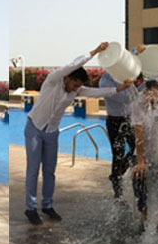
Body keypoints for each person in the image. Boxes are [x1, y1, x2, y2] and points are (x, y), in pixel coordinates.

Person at [24, 42, 133, 225]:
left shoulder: (77, 90)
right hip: (34, 128)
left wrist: (119, 89)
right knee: (33, 170)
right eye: (75, 83)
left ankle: (48, 205)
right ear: (67, 78)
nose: (76, 88)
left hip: (51, 132)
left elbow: (96, 92)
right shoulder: (53, 80)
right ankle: (30, 208)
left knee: (50, 171)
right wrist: (95, 51)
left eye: (79, 85)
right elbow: (72, 65)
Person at [99, 44, 146, 200]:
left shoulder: (123, 71)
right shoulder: (105, 82)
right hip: (115, 121)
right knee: (117, 154)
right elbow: (125, 99)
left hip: (129, 119)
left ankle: (119, 173)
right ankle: (117, 188)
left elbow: (128, 57)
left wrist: (136, 51)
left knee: (135, 149)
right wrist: (139, 86)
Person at [130, 80, 158, 235]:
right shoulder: (136, 107)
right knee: (138, 176)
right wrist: (141, 161)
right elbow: (139, 133)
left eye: (155, 94)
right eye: (147, 94)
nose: (151, 98)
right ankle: (144, 216)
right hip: (142, 153)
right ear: (143, 94)